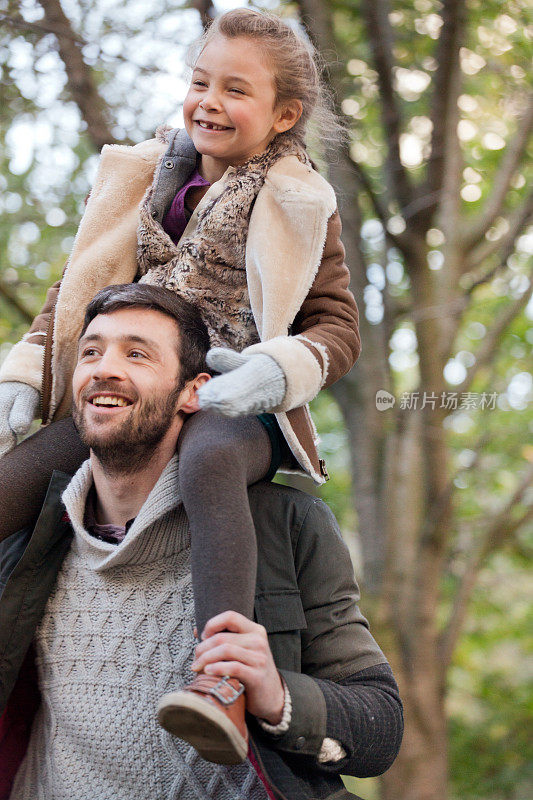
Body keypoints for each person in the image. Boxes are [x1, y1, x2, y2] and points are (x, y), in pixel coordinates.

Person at [0, 9, 361, 760]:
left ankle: (221, 686)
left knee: (207, 461)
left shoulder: (298, 200)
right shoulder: (143, 173)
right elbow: (77, 288)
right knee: (21, 472)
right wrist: (31, 370)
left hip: (232, 397)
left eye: (235, 90)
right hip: (144, 381)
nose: (208, 101)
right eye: (200, 82)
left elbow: (336, 327)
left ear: (283, 114)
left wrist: (273, 373)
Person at [0, 284, 402, 800]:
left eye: (137, 354)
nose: (104, 368)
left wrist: (278, 696)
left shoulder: (286, 525)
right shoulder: (29, 535)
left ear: (194, 390)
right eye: (91, 352)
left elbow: (382, 726)